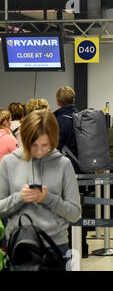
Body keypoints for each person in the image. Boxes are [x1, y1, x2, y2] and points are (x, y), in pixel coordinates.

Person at [0, 109, 81, 264]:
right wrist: (20, 198)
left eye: (45, 145)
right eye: (34, 145)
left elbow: (75, 213)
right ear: (25, 139)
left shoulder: (63, 164)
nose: (39, 151)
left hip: (56, 246)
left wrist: (48, 198)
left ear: (54, 140)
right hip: (19, 246)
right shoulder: (8, 163)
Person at [53, 86, 89, 258]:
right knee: (78, 208)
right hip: (82, 170)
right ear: (74, 100)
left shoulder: (58, 121)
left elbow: (53, 149)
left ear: (57, 102)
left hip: (63, 172)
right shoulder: (82, 119)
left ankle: (67, 248)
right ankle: (81, 245)